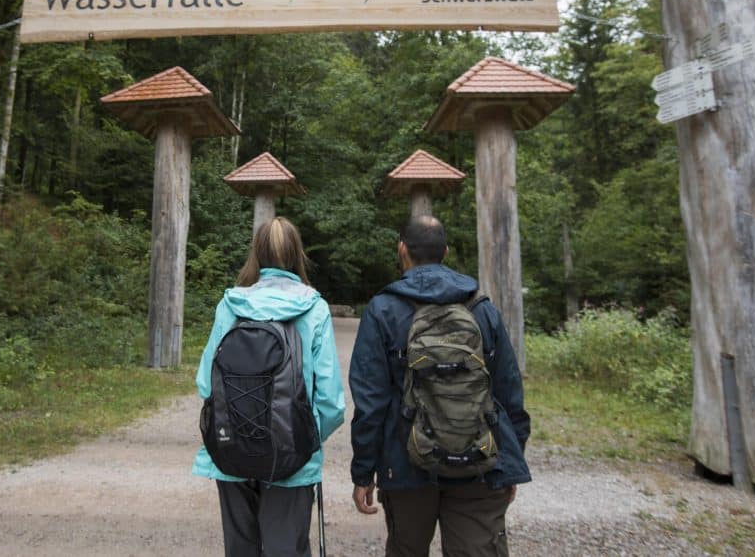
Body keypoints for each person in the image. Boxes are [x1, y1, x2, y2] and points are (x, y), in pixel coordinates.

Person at [349, 214, 531, 557]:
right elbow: (508, 391)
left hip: (405, 463)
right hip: (479, 461)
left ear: (402, 250)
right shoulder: (481, 309)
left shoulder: (383, 310)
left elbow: (370, 403)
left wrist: (363, 473)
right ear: (445, 251)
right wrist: (509, 459)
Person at [193, 216, 346, 557]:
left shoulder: (232, 304)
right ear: (297, 255)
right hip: (292, 458)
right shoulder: (314, 308)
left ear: (257, 254)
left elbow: (206, 383)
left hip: (230, 453)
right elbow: (331, 403)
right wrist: (302, 440)